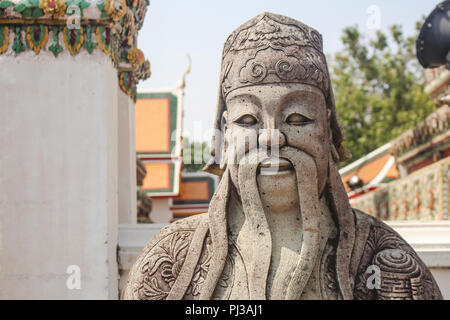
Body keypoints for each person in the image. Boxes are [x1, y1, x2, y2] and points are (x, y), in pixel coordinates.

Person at [123, 12, 443, 300]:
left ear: (328, 130)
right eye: (248, 121)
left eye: (298, 119)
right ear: (224, 134)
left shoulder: (389, 265)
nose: (272, 138)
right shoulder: (170, 263)